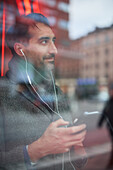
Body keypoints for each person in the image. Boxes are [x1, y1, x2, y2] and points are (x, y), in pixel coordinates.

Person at [0, 13, 87, 170]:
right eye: (44, 41)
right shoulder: (3, 93)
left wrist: (78, 151)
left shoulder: (57, 92)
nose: (54, 50)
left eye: (53, 41)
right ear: (20, 49)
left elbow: (73, 158)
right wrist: (36, 150)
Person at [98, 82, 113, 169]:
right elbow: (104, 112)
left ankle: (111, 162)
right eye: (110, 90)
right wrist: (100, 122)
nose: (110, 92)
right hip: (110, 127)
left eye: (112, 90)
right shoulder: (108, 101)